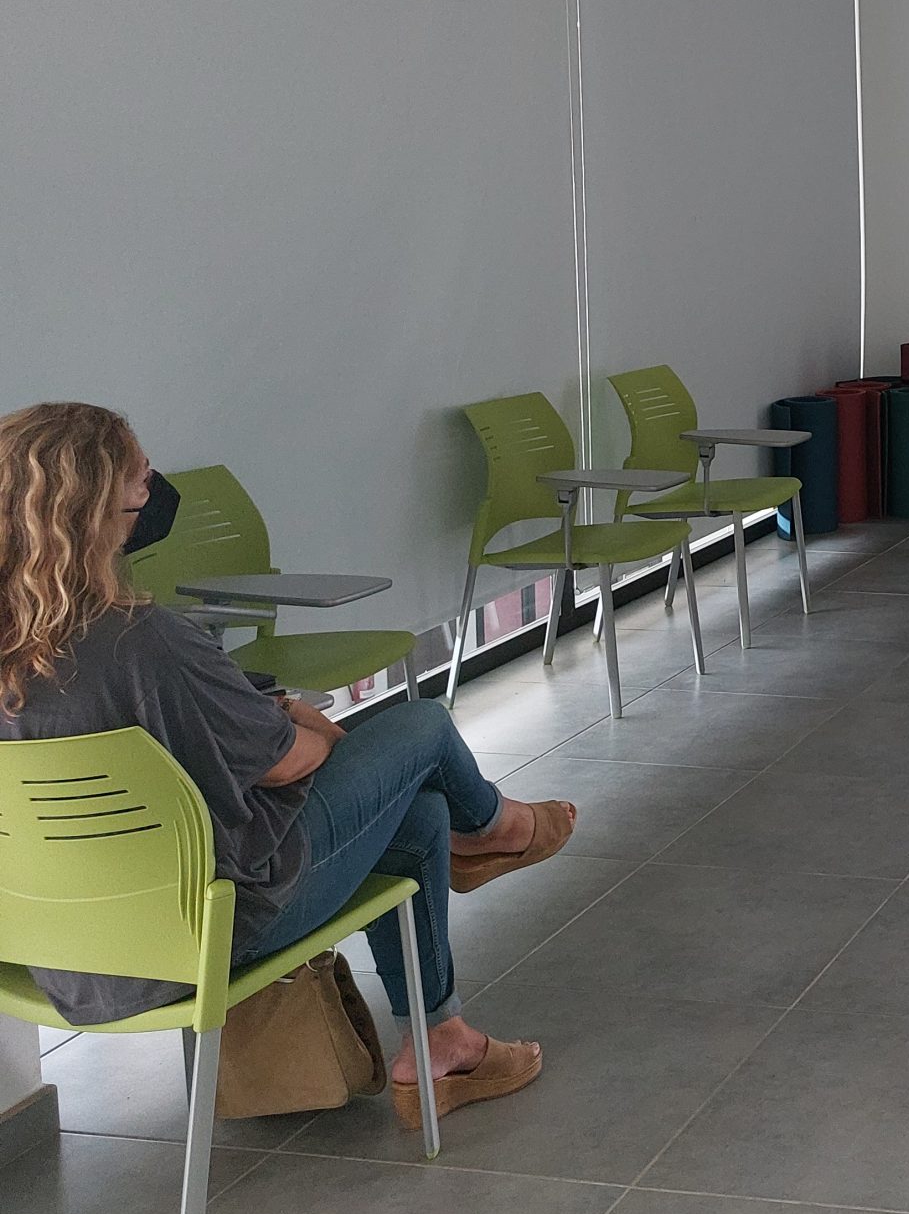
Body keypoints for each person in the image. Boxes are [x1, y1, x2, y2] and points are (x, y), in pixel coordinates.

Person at [0, 402, 572, 1128]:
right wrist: (313, 727)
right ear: (95, 510)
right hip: (201, 939)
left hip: (53, 955)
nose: (154, 491)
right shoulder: (146, 642)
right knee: (420, 728)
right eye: (142, 478)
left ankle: (442, 1041)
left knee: (419, 815)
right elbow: (283, 765)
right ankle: (497, 827)